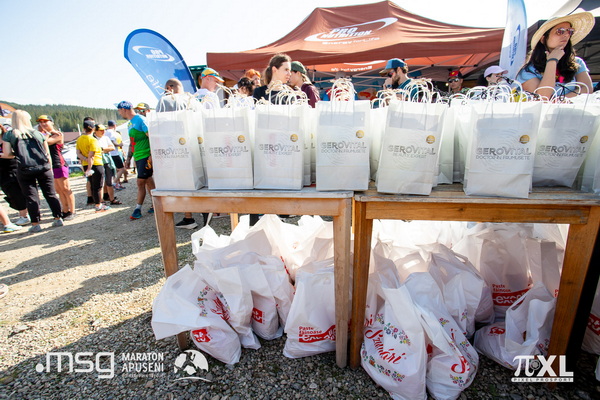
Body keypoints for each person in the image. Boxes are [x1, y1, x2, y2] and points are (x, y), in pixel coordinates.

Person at [1, 110, 64, 232]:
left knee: (31, 197)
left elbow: (7, 154)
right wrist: (50, 167)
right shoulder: (37, 134)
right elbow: (46, 153)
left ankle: (35, 223)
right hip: (43, 167)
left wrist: (17, 153)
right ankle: (58, 218)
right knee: (50, 194)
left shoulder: (10, 135)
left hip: (25, 168)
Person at [159, 79, 207, 229]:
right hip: (198, 145)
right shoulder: (194, 101)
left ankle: (188, 217)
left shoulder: (167, 101)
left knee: (183, 183)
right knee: (202, 182)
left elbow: (161, 125)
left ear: (169, 88)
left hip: (178, 146)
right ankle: (206, 218)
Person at [516, 11, 595, 99]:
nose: (566, 35)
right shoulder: (528, 70)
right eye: (560, 31)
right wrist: (552, 61)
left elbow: (587, 89)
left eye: (570, 31)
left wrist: (561, 99)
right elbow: (543, 97)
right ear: (543, 39)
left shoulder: (577, 62)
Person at [117, 100, 155, 220]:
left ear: (124, 109)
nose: (119, 113)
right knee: (148, 181)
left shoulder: (140, 120)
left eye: (119, 110)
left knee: (140, 182)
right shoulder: (130, 123)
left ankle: (137, 209)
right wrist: (129, 158)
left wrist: (151, 154)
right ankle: (156, 204)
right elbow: (132, 142)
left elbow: (152, 137)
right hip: (138, 156)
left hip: (145, 155)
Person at [36, 115, 76, 220]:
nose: (43, 124)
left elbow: (45, 142)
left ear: (51, 122)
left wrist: (46, 133)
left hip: (59, 163)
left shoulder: (57, 134)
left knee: (66, 188)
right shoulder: (44, 134)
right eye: (40, 122)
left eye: (45, 121)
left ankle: (72, 210)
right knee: (58, 190)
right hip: (50, 165)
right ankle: (65, 210)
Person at [76, 120, 110, 212]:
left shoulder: (79, 139)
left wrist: (85, 159)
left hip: (85, 164)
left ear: (84, 128)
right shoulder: (93, 140)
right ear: (93, 129)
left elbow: (78, 153)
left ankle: (97, 203)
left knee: (92, 184)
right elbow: (91, 155)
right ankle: (99, 205)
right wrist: (89, 167)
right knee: (98, 186)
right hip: (96, 164)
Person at [0, 125, 30, 226]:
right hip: (2, 171)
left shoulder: (8, 137)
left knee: (17, 193)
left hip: (13, 167)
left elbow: (15, 153)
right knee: (10, 193)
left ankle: (24, 216)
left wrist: (3, 154)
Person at [94, 124, 121, 205]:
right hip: (98, 161)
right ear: (96, 131)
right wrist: (105, 149)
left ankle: (112, 199)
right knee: (100, 183)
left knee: (109, 181)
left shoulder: (106, 138)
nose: (103, 131)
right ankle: (101, 200)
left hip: (107, 161)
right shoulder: (93, 139)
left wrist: (102, 149)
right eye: (101, 130)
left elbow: (112, 147)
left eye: (104, 130)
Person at [105, 120, 127, 189]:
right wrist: (119, 144)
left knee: (117, 169)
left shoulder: (106, 132)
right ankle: (114, 182)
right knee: (121, 169)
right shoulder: (111, 132)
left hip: (110, 153)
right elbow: (112, 142)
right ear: (114, 125)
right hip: (114, 153)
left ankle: (117, 183)